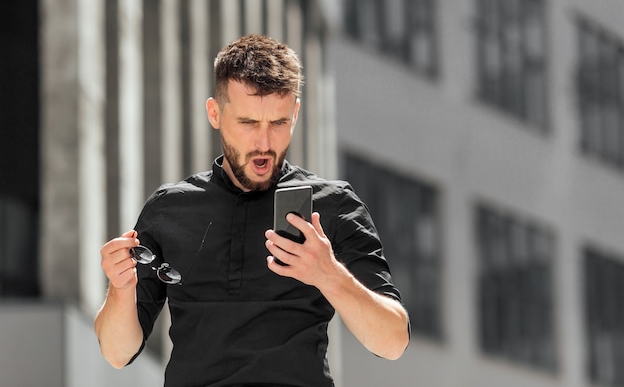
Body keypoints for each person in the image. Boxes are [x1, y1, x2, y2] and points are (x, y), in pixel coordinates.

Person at [94, 34, 409, 387]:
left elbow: (393, 341)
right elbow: (116, 352)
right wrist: (120, 287)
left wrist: (328, 274)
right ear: (215, 113)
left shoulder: (334, 205)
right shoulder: (169, 208)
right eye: (248, 123)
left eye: (278, 123)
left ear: (296, 113)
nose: (264, 143)